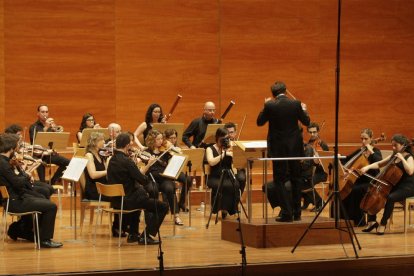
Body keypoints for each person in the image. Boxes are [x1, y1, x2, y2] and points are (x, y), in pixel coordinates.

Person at [256, 81, 310, 222]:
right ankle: (297, 213)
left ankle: (287, 213)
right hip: (295, 149)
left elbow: (259, 122)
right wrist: (304, 109)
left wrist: (264, 106)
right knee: (296, 179)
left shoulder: (270, 105)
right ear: (286, 91)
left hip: (278, 150)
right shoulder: (296, 104)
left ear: (273, 94)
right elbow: (307, 122)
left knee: (279, 181)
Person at [0, 133, 62, 248]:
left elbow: (15, 181)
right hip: (15, 201)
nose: (18, 149)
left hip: (14, 198)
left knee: (42, 198)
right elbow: (18, 183)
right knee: (51, 206)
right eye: (16, 146)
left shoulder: (4, 161)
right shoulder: (3, 163)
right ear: (11, 148)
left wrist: (23, 173)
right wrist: (27, 174)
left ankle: (32, 233)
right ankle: (44, 240)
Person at [107, 132, 168, 245]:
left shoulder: (111, 160)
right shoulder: (127, 161)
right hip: (128, 201)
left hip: (116, 201)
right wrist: (149, 164)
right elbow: (143, 180)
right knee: (163, 206)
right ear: (126, 146)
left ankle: (133, 234)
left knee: (140, 197)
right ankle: (146, 236)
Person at [359, 134, 414, 235]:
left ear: (403, 145)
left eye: (395, 145)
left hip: (408, 186)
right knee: (372, 191)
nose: (393, 148)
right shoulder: (394, 155)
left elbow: (410, 171)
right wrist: (368, 167)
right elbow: (380, 163)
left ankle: (383, 224)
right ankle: (372, 221)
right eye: (392, 145)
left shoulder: (409, 157)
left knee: (391, 197)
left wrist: (402, 159)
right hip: (395, 184)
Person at [144, 129, 191, 225]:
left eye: (162, 139)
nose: (161, 141)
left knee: (170, 188)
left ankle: (176, 215)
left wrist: (172, 149)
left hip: (164, 177)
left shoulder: (166, 150)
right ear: (152, 140)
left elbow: (178, 155)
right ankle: (153, 214)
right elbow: (144, 167)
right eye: (158, 139)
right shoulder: (146, 152)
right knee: (152, 190)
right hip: (152, 178)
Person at [341, 128, 383, 226]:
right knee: (345, 189)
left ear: (371, 139)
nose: (363, 141)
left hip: (371, 181)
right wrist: (338, 156)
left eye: (366, 139)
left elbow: (379, 162)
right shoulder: (360, 151)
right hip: (359, 180)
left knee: (355, 190)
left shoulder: (376, 151)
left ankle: (359, 221)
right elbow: (348, 158)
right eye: (362, 139)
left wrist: (370, 150)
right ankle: (347, 219)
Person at [4, 124, 54, 199]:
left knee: (48, 188)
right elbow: (18, 176)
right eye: (18, 135)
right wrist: (29, 169)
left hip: (22, 181)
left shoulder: (15, 153)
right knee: (45, 191)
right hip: (18, 187)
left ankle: (42, 206)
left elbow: (21, 173)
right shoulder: (8, 158)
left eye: (21, 134)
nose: (21, 137)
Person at [28, 104, 70, 186]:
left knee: (69, 163)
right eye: (42, 112)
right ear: (38, 113)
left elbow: (55, 141)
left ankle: (53, 181)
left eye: (46, 112)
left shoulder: (51, 127)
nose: (45, 114)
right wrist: (46, 128)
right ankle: (43, 183)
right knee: (40, 163)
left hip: (50, 154)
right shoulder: (33, 127)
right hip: (38, 155)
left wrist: (56, 132)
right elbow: (35, 143)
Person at [206, 127, 240, 219]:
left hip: (227, 175)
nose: (225, 141)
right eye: (223, 139)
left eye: (227, 138)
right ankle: (220, 209)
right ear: (218, 137)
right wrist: (223, 155)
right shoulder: (210, 148)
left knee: (235, 185)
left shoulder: (229, 147)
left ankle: (232, 209)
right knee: (223, 185)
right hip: (215, 176)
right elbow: (211, 162)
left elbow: (235, 163)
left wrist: (232, 154)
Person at [301, 122, 329, 212]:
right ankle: (307, 200)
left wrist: (317, 162)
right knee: (301, 179)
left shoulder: (322, 145)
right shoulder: (309, 143)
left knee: (308, 182)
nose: (312, 134)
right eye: (310, 132)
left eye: (314, 132)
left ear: (318, 131)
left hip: (320, 172)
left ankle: (320, 202)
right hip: (310, 171)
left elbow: (325, 163)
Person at [224, 122, 246, 194]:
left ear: (235, 133)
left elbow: (244, 159)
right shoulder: (222, 144)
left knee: (242, 178)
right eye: (228, 132)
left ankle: (238, 198)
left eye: (231, 132)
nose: (230, 135)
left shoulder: (240, 144)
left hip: (237, 168)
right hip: (226, 168)